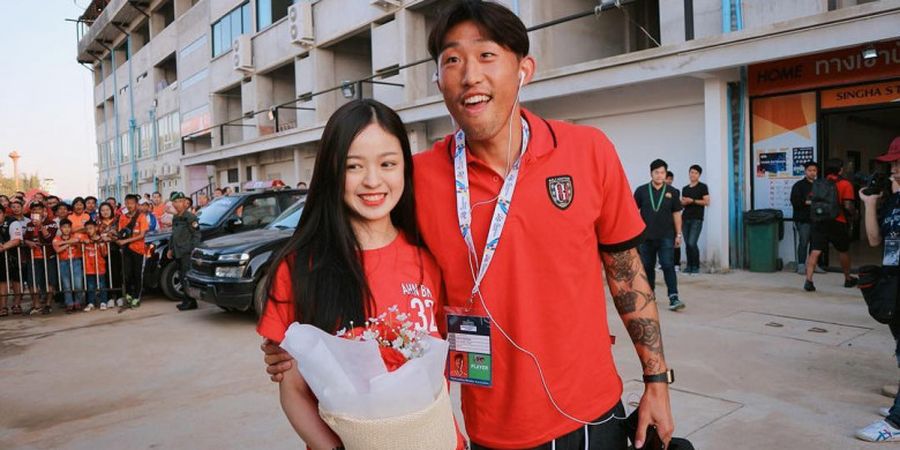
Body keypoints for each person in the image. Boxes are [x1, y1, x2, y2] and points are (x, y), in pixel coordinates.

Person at [262, 3, 676, 448]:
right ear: (439, 80)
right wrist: (298, 337)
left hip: (592, 414)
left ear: (524, 68)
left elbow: (627, 275)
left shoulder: (587, 151)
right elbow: (354, 243)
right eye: (452, 59)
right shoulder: (416, 178)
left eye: (486, 55)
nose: (469, 74)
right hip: (490, 429)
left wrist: (657, 380)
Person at [256, 99, 464, 449]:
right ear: (331, 172)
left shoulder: (429, 260)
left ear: (404, 170)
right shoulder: (299, 268)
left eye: (387, 164)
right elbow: (292, 391)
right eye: (353, 166)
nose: (372, 180)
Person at [856, 137, 900, 442]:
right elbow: (874, 240)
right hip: (893, 281)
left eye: (899, 163)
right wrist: (870, 204)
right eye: (893, 164)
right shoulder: (894, 201)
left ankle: (897, 423)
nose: (894, 169)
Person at [636, 159, 686, 311]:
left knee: (667, 265)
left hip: (666, 236)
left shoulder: (673, 192)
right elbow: (633, 213)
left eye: (662, 172)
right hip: (646, 237)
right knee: (648, 267)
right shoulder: (641, 191)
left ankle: (673, 297)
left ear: (666, 174)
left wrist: (678, 234)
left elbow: (677, 214)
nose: (659, 175)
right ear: (651, 173)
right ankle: (649, 296)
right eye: (656, 172)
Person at [804, 158, 858, 291]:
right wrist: (855, 214)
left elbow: (809, 201)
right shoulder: (845, 184)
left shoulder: (819, 183)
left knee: (815, 250)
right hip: (837, 220)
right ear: (840, 169)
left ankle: (808, 280)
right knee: (843, 250)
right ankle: (847, 278)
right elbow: (847, 205)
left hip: (819, 220)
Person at [23, 201, 58, 315]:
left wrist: (40, 226)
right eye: (33, 210)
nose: (36, 211)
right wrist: (28, 242)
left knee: (50, 280)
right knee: (32, 281)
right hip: (33, 257)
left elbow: (49, 239)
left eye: (38, 209)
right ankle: (36, 304)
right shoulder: (29, 225)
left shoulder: (51, 223)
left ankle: (48, 304)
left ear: (44, 211)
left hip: (48, 256)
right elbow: (25, 239)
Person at [168, 192, 201, 311]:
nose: (176, 204)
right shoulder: (176, 217)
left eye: (178, 201)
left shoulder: (191, 217)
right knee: (182, 276)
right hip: (177, 251)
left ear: (184, 202)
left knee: (186, 277)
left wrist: (193, 250)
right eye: (174, 202)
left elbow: (196, 235)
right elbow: (173, 235)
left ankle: (191, 301)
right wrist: (170, 248)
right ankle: (187, 300)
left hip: (186, 251)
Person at [115, 194, 149, 308]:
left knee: (137, 274)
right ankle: (128, 294)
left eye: (131, 203)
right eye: (127, 203)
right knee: (126, 274)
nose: (129, 205)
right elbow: (120, 232)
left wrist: (125, 241)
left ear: (136, 204)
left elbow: (142, 235)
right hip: (126, 250)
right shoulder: (123, 217)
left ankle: (136, 297)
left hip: (138, 250)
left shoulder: (141, 217)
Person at [680, 165, 710, 275]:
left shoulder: (703, 187)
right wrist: (682, 202)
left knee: (692, 243)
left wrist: (692, 200)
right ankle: (689, 266)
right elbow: (683, 204)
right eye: (691, 172)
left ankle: (696, 266)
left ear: (699, 175)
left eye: (696, 173)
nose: (693, 175)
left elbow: (706, 202)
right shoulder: (685, 188)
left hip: (696, 219)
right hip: (685, 218)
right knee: (687, 243)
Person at [791, 162, 818, 274]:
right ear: (805, 171)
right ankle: (801, 265)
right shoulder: (799, 185)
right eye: (810, 170)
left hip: (817, 219)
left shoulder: (819, 184)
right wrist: (809, 202)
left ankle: (814, 265)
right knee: (804, 242)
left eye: (814, 170)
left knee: (815, 243)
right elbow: (795, 201)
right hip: (803, 219)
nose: (812, 172)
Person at [53, 219, 86, 313]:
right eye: (64, 227)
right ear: (60, 228)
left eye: (68, 227)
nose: (66, 229)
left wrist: (63, 243)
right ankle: (69, 303)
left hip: (76, 261)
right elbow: (57, 249)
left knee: (78, 284)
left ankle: (78, 302)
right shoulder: (57, 238)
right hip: (63, 262)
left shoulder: (75, 235)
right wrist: (68, 244)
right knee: (66, 284)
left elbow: (77, 240)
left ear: (71, 228)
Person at [97, 202, 124, 306]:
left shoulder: (117, 221)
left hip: (115, 250)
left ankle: (119, 296)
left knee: (116, 273)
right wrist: (101, 238)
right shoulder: (97, 223)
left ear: (111, 210)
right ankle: (109, 298)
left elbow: (120, 234)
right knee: (106, 275)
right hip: (102, 252)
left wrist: (112, 237)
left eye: (107, 210)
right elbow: (95, 235)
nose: (105, 212)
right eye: (102, 210)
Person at [0, 208, 23, 317]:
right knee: (1, 280)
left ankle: (17, 304)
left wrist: (3, 247)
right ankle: (3, 306)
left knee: (16, 279)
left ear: (4, 213)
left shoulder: (13, 222)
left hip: (13, 256)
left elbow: (16, 239)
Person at [82, 220, 109, 311]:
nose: (89, 230)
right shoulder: (84, 239)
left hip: (100, 266)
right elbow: (78, 239)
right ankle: (91, 302)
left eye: (90, 228)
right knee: (90, 286)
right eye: (87, 229)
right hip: (89, 267)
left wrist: (101, 244)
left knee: (102, 285)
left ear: (96, 228)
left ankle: (103, 302)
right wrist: (84, 241)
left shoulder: (101, 239)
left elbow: (104, 254)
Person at [665, 171, 682, 272]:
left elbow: (676, 209)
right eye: (667, 178)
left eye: (670, 179)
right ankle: (664, 263)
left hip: (673, 222)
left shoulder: (675, 191)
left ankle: (676, 263)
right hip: (663, 222)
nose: (669, 181)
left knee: (676, 243)